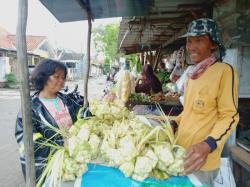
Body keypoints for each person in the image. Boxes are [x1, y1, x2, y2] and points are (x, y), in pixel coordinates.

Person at [170, 18, 239, 186]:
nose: (192, 47)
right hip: (180, 154)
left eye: (199, 40)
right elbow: (189, 112)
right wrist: (173, 124)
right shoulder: (192, 74)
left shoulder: (224, 71)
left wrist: (208, 145)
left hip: (202, 162)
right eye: (189, 41)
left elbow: (229, 116)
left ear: (213, 44)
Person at [15, 59, 82, 182]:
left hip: (70, 159)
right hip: (49, 166)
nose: (61, 81)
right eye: (56, 77)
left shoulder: (66, 100)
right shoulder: (31, 108)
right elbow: (27, 141)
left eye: (63, 77)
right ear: (43, 77)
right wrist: (62, 145)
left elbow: (81, 115)